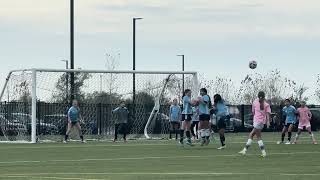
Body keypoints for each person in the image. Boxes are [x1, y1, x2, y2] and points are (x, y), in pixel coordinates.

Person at [239, 91, 271, 157]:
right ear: (264, 97)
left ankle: (263, 152)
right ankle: (244, 150)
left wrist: (256, 116)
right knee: (251, 135)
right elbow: (268, 115)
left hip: (257, 122)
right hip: (261, 122)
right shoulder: (266, 105)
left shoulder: (255, 102)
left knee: (258, 137)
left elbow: (253, 112)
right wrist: (268, 122)